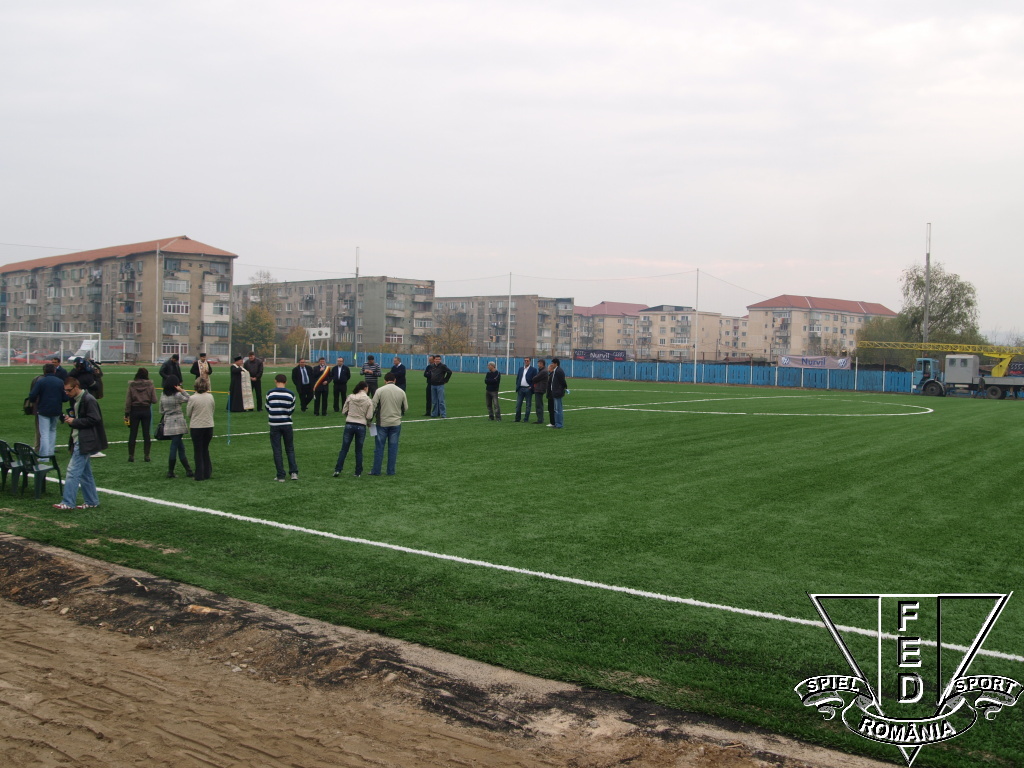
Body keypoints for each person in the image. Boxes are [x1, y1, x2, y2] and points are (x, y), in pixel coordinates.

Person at [53, 376, 107, 510]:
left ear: (76, 387)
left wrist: (75, 421)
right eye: (65, 391)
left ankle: (68, 502)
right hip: (80, 439)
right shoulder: (77, 399)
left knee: (73, 471)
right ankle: (92, 501)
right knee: (85, 473)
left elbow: (95, 419)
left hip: (84, 440)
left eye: (69, 390)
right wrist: (71, 420)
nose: (67, 393)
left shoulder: (88, 399)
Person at [370, 372, 408, 476]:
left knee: (379, 448)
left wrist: (369, 419)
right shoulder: (401, 391)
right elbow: (405, 408)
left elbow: (373, 406)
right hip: (396, 422)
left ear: (385, 380)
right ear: (395, 380)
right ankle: (391, 471)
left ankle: (376, 470)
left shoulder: (380, 390)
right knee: (393, 448)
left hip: (382, 422)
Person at [334, 381, 374, 477]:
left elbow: (344, 411)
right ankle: (358, 472)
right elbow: (369, 416)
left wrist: (351, 416)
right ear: (365, 388)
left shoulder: (350, 397)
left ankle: (338, 470)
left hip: (349, 424)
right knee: (358, 450)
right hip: (361, 425)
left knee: (344, 449)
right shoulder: (368, 400)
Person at [29, 363, 67, 459]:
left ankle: (44, 456)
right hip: (56, 409)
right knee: (52, 431)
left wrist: (35, 401)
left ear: (44, 371)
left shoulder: (41, 381)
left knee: (44, 433)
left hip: (43, 409)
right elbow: (65, 397)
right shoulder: (60, 381)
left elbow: (32, 395)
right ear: (54, 371)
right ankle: (50, 453)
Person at [266, 373, 299, 482]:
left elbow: (268, 407)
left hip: (274, 424)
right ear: (286, 382)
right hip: (287, 423)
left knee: (277, 450)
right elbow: (291, 409)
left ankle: (280, 475)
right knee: (290, 449)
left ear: (275, 381)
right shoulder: (291, 394)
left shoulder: (270, 393)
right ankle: (294, 472)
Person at [160, 376, 193, 478]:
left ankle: (188, 470)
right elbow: (190, 399)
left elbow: (161, 410)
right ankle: (171, 471)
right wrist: (182, 390)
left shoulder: (163, 394)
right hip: (178, 422)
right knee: (174, 447)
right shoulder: (177, 395)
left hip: (168, 421)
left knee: (180, 446)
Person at [124, 367, 157, 462]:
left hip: (134, 410)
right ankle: (147, 455)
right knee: (146, 434)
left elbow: (128, 400)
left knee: (133, 433)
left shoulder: (132, 385)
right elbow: (154, 400)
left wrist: (127, 413)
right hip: (146, 410)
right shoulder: (150, 385)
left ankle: (131, 455)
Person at [187, 378, 215, 481]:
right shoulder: (210, 396)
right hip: (209, 425)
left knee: (198, 450)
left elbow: (188, 413)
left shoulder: (193, 398)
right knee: (205, 449)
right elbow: (212, 409)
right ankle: (207, 472)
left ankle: (199, 474)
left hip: (197, 426)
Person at [514, 357, 537, 422]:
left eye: (527, 361)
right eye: (525, 360)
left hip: (528, 389)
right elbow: (518, 378)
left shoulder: (533, 369)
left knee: (528, 405)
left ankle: (526, 419)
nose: (526, 362)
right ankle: (517, 419)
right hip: (521, 388)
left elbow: (535, 379)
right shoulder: (521, 369)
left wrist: (531, 387)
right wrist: (518, 385)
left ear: (530, 361)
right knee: (518, 405)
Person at [547, 358, 568, 429]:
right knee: (556, 410)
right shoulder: (556, 370)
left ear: (556, 364)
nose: (552, 364)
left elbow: (563, 382)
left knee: (558, 410)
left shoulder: (559, 371)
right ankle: (556, 423)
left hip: (557, 393)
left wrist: (560, 390)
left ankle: (559, 424)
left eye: (553, 363)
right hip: (555, 392)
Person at [532, 359, 548, 425]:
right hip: (539, 388)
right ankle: (540, 419)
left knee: (539, 405)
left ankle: (540, 419)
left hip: (540, 389)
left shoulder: (543, 371)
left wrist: (534, 379)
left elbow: (535, 378)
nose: (538, 365)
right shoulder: (542, 370)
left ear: (542, 364)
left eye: (539, 363)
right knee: (539, 404)